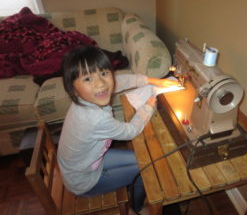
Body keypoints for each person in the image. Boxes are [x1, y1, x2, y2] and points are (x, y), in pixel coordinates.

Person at [57, 45, 178, 215]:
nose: (100, 84)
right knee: (147, 169)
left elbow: (120, 81)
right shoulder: (95, 119)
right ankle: (137, 210)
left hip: (84, 166)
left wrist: (153, 81)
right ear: (73, 90)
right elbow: (130, 131)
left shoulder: (84, 98)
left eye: (104, 74)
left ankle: (133, 197)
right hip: (84, 181)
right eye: (88, 79)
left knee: (144, 160)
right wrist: (148, 106)